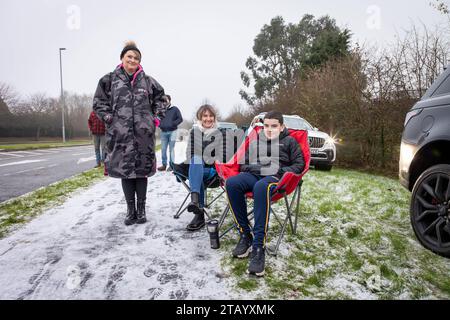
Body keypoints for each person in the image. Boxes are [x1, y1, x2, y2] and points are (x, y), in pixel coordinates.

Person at [93, 41, 166, 226]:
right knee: (126, 173)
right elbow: (98, 103)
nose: (132, 60)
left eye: (136, 58)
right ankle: (130, 210)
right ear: (122, 58)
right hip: (120, 136)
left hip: (143, 136)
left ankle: (141, 210)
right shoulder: (109, 80)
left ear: (139, 62)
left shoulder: (148, 81)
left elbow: (162, 99)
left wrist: (155, 119)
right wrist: (109, 118)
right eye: (129, 57)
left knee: (141, 173)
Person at [225, 111, 305, 276]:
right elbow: (244, 164)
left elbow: (299, 165)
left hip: (276, 178)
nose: (269, 129)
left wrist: (278, 170)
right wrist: (259, 169)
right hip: (254, 175)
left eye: (274, 126)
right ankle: (245, 234)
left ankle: (258, 246)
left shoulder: (290, 142)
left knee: (262, 187)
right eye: (266, 125)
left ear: (281, 127)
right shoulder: (256, 141)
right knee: (232, 183)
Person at [184, 104, 228, 231]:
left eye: (211, 116)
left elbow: (223, 156)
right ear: (200, 117)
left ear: (214, 118)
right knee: (196, 162)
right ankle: (196, 203)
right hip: (198, 169)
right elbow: (189, 155)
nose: (208, 119)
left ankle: (198, 212)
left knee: (198, 166)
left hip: (215, 171)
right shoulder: (194, 132)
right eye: (205, 116)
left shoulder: (222, 133)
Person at [158, 94, 183, 172]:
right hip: (163, 132)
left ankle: (172, 166)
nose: (164, 102)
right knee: (163, 149)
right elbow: (157, 119)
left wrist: (173, 123)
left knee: (171, 149)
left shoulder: (175, 109)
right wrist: (160, 125)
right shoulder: (160, 110)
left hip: (173, 131)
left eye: (166, 100)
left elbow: (180, 119)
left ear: (169, 100)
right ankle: (164, 165)